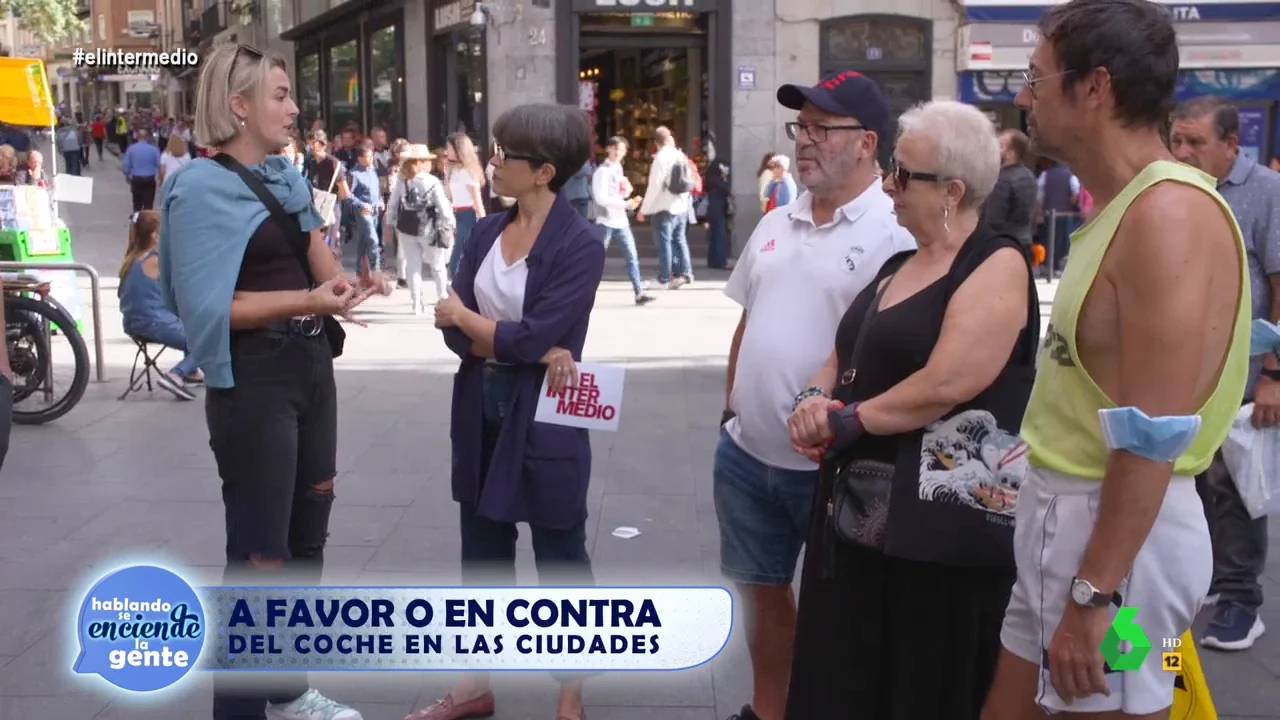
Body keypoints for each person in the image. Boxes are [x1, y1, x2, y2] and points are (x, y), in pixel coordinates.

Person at [982, 1, 1252, 717]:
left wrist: (1093, 595)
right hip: (1080, 530)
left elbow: (1155, 431)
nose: (1021, 95)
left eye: (1034, 77)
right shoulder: (1129, 204)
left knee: (1121, 706)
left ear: (1095, 87)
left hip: (1116, 551)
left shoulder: (1164, 213)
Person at [784, 100, 1037, 719]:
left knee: (917, 685)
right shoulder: (900, 262)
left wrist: (849, 420)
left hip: (933, 538)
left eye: (902, 174)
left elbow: (949, 380)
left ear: (952, 190)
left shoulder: (995, 262)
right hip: (857, 519)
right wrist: (812, 401)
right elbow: (844, 353)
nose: (888, 186)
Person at [160, 42, 386, 720]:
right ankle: (237, 710)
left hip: (311, 366)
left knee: (307, 538)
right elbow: (209, 310)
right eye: (280, 95)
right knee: (260, 555)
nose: (294, 107)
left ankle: (287, 689)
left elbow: (323, 272)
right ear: (239, 106)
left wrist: (344, 287)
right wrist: (309, 302)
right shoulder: (197, 188)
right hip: (253, 378)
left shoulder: (288, 177)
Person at [714, 71, 915, 720]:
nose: (806, 141)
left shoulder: (896, 229)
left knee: (848, 612)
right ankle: (768, 709)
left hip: (838, 463)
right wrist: (730, 411)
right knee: (762, 592)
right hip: (748, 458)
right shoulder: (777, 220)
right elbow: (748, 319)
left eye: (823, 128)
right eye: (801, 127)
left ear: (867, 144)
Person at [415, 103, 605, 720]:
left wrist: (476, 323)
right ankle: (475, 683)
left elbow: (506, 329)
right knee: (482, 548)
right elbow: (468, 333)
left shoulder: (580, 243)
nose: (491, 163)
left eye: (504, 155)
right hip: (479, 401)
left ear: (545, 171)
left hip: (546, 409)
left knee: (560, 548)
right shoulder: (487, 231)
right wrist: (504, 337)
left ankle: (571, 689)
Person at [1170, 95, 1280, 652]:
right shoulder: (1181, 189)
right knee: (1199, 478)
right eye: (1178, 141)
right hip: (1192, 365)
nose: (1184, 152)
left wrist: (1275, 374)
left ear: (1232, 145)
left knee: (1237, 483)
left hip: (1244, 366)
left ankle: (1243, 601)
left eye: (1197, 142)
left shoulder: (1264, 191)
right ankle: (1216, 577)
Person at [118, 210, 201, 401]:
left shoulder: (133, 258)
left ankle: (192, 370)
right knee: (209, 340)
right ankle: (176, 374)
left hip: (135, 322)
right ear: (156, 235)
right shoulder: (155, 260)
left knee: (192, 326)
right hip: (154, 323)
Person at [385, 144, 454, 313]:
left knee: (413, 266)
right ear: (422, 162)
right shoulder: (432, 181)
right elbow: (444, 208)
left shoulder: (403, 180)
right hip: (428, 228)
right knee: (437, 265)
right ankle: (442, 297)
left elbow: (393, 205)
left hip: (406, 228)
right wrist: (450, 223)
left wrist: (391, 223)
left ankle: (416, 302)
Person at [592, 136, 653, 306]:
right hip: (605, 220)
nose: (618, 153)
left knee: (632, 256)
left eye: (622, 150)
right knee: (596, 258)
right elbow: (600, 197)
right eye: (616, 149)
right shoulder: (602, 171)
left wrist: (627, 193)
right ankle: (584, 291)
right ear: (609, 149)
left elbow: (619, 192)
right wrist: (624, 203)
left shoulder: (618, 169)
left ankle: (639, 291)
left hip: (620, 220)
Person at [637, 126, 695, 289]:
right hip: (681, 205)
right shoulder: (680, 155)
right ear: (670, 138)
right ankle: (685, 273)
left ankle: (665, 277)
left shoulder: (661, 158)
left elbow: (655, 185)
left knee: (665, 243)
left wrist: (644, 209)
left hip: (664, 206)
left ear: (656, 143)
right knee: (680, 240)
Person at [983, 129, 1039, 251]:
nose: (996, 150)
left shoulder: (1002, 181)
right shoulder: (1029, 176)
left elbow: (993, 221)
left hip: (1002, 246)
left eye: (1001, 146)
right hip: (1024, 242)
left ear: (1011, 154)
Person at [444, 132, 487, 279]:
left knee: (460, 249)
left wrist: (483, 219)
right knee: (459, 247)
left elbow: (477, 199)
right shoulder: (452, 170)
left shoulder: (468, 172)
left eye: (449, 148)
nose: (447, 151)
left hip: (469, 213)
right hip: (456, 212)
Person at [307, 130, 350, 257]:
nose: (311, 146)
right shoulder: (311, 162)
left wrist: (331, 199)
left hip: (330, 209)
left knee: (329, 247)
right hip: (315, 208)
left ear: (322, 144)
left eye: (314, 142)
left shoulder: (333, 163)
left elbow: (345, 191)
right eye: (309, 142)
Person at [346, 144, 384, 273]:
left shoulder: (373, 171)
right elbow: (348, 195)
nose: (371, 159)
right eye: (368, 157)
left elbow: (377, 189)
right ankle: (376, 269)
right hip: (363, 210)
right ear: (360, 158)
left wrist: (380, 201)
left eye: (371, 156)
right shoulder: (354, 174)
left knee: (363, 242)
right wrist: (361, 204)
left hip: (374, 209)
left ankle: (359, 272)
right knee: (373, 240)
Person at [702, 132, 733, 270]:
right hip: (717, 209)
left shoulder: (712, 176)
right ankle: (719, 261)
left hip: (715, 209)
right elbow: (724, 189)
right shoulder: (716, 178)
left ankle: (713, 260)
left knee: (716, 236)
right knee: (719, 235)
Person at [123, 128, 162, 212]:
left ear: (137, 137)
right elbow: (159, 164)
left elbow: (126, 164)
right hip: (149, 178)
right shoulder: (154, 149)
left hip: (136, 178)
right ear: (147, 137)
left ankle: (136, 221)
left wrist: (127, 175)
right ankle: (147, 222)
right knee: (148, 205)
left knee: (137, 205)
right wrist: (160, 177)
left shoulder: (131, 149)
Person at [157, 133, 192, 205]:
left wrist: (161, 182)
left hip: (168, 181)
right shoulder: (187, 156)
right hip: (181, 182)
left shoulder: (165, 155)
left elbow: (162, 171)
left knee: (166, 204)